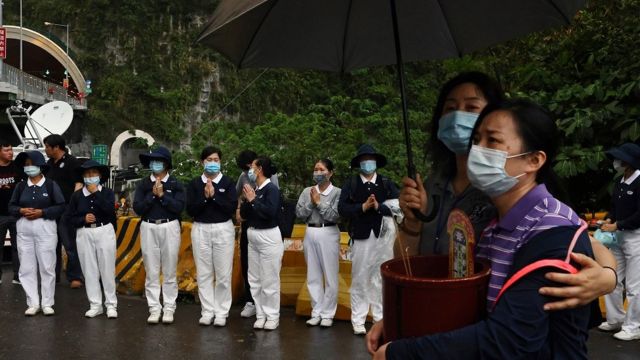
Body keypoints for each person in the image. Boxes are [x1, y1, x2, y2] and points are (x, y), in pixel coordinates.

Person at [372, 100, 616, 359]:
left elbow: (510, 341)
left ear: (533, 160)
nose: (478, 150)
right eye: (477, 140)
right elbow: (474, 310)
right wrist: (405, 325)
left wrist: (401, 353)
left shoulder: (550, 230)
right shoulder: (493, 227)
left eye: (493, 141)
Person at [397, 71, 503, 256]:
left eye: (471, 108)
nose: (457, 117)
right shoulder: (432, 185)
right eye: (450, 108)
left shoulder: (503, 188)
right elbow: (404, 261)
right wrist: (413, 222)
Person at [338, 144, 399, 335]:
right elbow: (342, 208)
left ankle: (380, 318)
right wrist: (362, 207)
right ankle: (358, 319)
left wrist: (379, 207)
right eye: (364, 159)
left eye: (370, 159)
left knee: (381, 277)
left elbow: (398, 208)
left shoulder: (387, 183)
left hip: (384, 237)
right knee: (360, 276)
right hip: (362, 235)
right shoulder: (352, 184)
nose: (367, 163)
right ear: (359, 163)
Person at [186, 146, 238, 327]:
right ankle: (207, 311)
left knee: (223, 274)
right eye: (209, 160)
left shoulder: (228, 183)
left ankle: (221, 312)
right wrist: (205, 198)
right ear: (203, 162)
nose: (213, 163)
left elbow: (230, 208)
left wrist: (214, 197)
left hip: (223, 229)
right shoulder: (194, 184)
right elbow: (191, 209)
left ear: (220, 162)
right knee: (204, 273)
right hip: (200, 229)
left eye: (216, 160)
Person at [9, 151, 65, 316]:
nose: (28, 167)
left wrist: (43, 212)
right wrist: (20, 210)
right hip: (24, 228)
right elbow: (11, 207)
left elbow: (61, 206)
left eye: (31, 164)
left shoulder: (50, 185)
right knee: (26, 266)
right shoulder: (20, 186)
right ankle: (33, 302)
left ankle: (47, 303)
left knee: (47, 266)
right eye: (26, 164)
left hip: (45, 228)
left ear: (40, 166)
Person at [133, 146, 185, 324]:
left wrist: (163, 196)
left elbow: (179, 208)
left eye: (158, 161)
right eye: (152, 161)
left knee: (169, 270)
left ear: (166, 164)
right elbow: (137, 208)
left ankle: (169, 308)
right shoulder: (144, 184)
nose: (154, 164)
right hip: (148, 227)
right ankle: (154, 308)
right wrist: (152, 197)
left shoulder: (175, 184)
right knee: (151, 270)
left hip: (169, 226)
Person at [64, 160, 118, 319]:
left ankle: (111, 305)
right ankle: (95, 305)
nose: (90, 177)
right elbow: (69, 218)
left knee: (107, 269)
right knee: (89, 269)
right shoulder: (77, 196)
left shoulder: (107, 192)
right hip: (84, 233)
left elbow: (110, 211)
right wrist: (82, 219)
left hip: (104, 230)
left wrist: (96, 193)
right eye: (87, 174)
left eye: (93, 173)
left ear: (100, 176)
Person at [599, 142, 640, 340]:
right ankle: (615, 319)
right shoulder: (620, 182)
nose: (616, 162)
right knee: (612, 278)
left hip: (636, 237)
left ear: (629, 162)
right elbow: (614, 207)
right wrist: (609, 219)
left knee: (634, 286)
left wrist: (618, 225)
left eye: (620, 159)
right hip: (619, 236)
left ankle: (633, 327)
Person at [239, 156, 283, 330]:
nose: (250, 170)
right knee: (255, 278)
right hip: (253, 236)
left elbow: (270, 213)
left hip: (268, 236)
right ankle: (260, 313)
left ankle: (272, 315)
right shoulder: (253, 189)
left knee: (269, 279)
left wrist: (254, 201)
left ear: (260, 169)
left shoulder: (271, 189)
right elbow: (244, 214)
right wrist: (248, 200)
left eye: (253, 166)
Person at [295, 158, 341, 327]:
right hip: (310, 231)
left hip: (328, 231)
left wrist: (319, 203)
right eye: (316, 169)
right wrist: (311, 203)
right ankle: (316, 311)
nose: (318, 173)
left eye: (322, 170)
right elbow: (299, 213)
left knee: (330, 275)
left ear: (330, 172)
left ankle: (328, 313)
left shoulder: (337, 192)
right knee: (313, 275)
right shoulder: (307, 190)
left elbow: (335, 215)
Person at [44, 134, 84, 288]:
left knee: (70, 244)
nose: (46, 149)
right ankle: (53, 276)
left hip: (67, 208)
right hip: (50, 209)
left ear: (56, 147)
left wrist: (73, 205)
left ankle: (75, 277)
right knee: (51, 244)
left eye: (47, 146)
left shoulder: (72, 162)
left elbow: (78, 184)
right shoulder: (48, 164)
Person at [0, 139, 20, 284]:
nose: (10, 153)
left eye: (11, 149)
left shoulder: (17, 167)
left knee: (18, 247)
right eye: (6, 150)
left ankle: (18, 276)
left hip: (16, 214)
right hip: (0, 214)